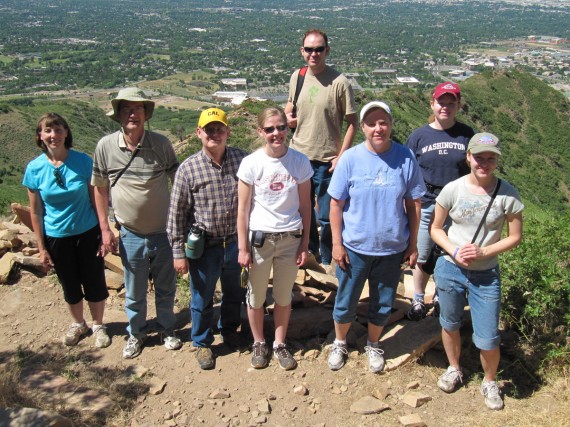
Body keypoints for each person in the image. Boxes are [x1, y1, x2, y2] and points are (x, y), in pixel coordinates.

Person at [327, 102, 425, 373]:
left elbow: (413, 204)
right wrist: (336, 243)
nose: (378, 128)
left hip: (392, 248)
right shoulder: (350, 158)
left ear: (391, 124)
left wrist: (413, 244)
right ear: (363, 128)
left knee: (383, 303)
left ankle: (373, 343)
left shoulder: (405, 157)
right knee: (346, 300)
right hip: (355, 246)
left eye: (383, 122)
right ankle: (340, 342)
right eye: (372, 123)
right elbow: (335, 203)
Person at [431, 132, 523, 410]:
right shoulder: (453, 189)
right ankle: (455, 368)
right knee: (449, 323)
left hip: (485, 274)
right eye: (479, 157)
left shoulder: (508, 194)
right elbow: (435, 228)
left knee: (488, 335)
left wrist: (484, 252)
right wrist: (454, 250)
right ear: (468, 157)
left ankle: (489, 380)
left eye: (490, 158)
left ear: (497, 160)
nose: (484, 163)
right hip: (450, 268)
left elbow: (514, 236)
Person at [92, 87, 182, 359]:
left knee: (166, 287)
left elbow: (177, 179)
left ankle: (167, 328)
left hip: (164, 233)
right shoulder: (105, 146)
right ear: (118, 114)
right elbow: (99, 188)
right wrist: (105, 228)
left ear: (146, 114)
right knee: (134, 291)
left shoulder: (161, 144)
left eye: (138, 108)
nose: (133, 113)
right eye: (127, 109)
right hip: (130, 233)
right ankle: (136, 333)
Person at [167, 108, 247, 370]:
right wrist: (178, 253)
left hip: (236, 242)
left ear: (228, 131)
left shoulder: (242, 160)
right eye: (208, 129)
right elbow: (177, 213)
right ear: (198, 132)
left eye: (219, 128)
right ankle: (201, 343)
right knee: (201, 298)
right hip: (205, 246)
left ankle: (229, 331)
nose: (215, 134)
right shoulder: (188, 169)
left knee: (234, 294)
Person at [23, 113, 110, 348]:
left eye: (58, 129)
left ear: (66, 133)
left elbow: (97, 199)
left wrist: (105, 231)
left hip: (88, 231)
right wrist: (41, 248)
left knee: (94, 279)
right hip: (57, 236)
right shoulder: (34, 169)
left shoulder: (83, 162)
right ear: (40, 136)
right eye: (48, 130)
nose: (54, 135)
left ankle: (98, 324)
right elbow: (36, 212)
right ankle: (78, 323)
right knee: (69, 283)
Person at [236, 107, 312, 371]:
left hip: (290, 237)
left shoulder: (300, 162)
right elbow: (243, 210)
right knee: (256, 296)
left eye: (280, 127)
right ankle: (259, 342)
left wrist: (305, 244)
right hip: (260, 240)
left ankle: (279, 343)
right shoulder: (251, 163)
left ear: (287, 128)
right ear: (261, 132)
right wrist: (242, 247)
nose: (276, 133)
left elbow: (305, 207)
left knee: (282, 295)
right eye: (269, 129)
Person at [284, 28, 358, 273]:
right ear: (302, 51)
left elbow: (352, 124)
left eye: (318, 49)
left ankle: (327, 259)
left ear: (327, 50)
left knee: (326, 215)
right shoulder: (298, 76)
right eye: (309, 49)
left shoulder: (340, 82)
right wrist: (288, 115)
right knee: (302, 211)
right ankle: (310, 253)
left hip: (327, 158)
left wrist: (342, 154)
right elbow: (290, 104)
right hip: (299, 154)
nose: (313, 54)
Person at [405, 82, 475, 320]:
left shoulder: (467, 135)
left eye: (450, 103)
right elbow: (408, 170)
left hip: (457, 205)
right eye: (441, 103)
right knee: (423, 252)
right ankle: (417, 297)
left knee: (448, 253)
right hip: (427, 202)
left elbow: (476, 168)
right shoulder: (419, 136)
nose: (445, 107)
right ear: (432, 104)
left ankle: (439, 295)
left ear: (458, 105)